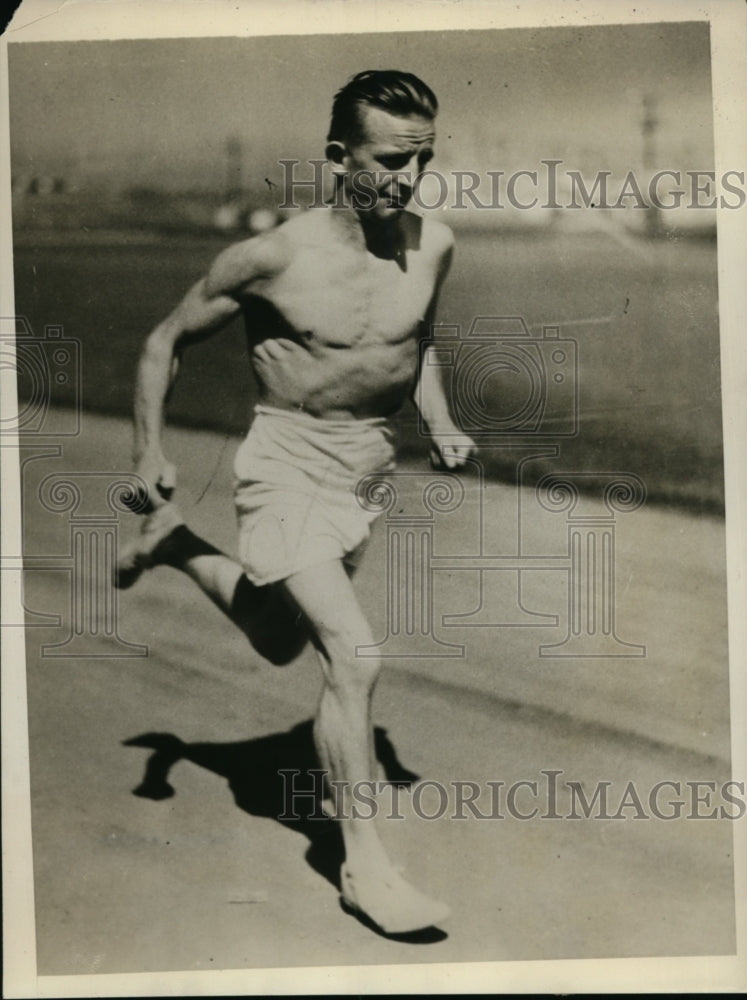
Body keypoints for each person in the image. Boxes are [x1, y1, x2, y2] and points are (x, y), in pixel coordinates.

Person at [116, 69, 476, 935]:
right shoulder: (272, 256)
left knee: (281, 640)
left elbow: (417, 343)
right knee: (353, 658)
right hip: (284, 463)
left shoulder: (434, 245)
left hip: (366, 467)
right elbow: (163, 342)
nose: (408, 176)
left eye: (422, 156)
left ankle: (172, 545)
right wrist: (149, 450)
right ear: (337, 156)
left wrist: (442, 421)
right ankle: (365, 867)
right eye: (390, 159)